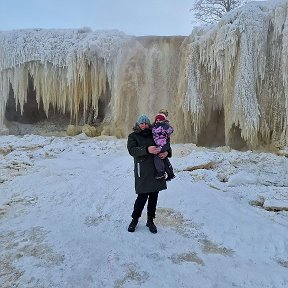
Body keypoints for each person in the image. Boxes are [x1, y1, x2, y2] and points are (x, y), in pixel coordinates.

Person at [127, 114, 172, 233]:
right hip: (142, 171)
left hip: (156, 170)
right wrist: (147, 150)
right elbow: (132, 150)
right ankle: (135, 219)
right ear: (138, 124)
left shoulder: (155, 133)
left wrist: (167, 153)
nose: (144, 125)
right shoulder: (133, 136)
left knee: (153, 197)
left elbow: (166, 144)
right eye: (142, 123)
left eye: (146, 123)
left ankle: (150, 220)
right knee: (142, 197)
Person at [152, 112, 176, 181]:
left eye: (160, 120)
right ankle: (170, 174)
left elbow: (170, 130)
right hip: (159, 145)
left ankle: (161, 172)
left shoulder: (164, 126)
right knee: (164, 159)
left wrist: (165, 125)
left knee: (157, 156)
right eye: (157, 120)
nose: (158, 121)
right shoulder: (154, 127)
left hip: (163, 145)